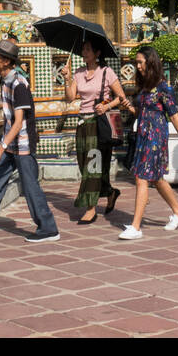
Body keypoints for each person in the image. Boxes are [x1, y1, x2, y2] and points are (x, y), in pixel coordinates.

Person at [0, 39, 60, 243]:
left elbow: (19, 122)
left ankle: (48, 228)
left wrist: (0, 147)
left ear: (7, 61)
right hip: (10, 143)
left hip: (23, 144)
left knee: (30, 186)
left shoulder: (19, 84)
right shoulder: (5, 80)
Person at [117, 46, 178, 239]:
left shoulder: (163, 87)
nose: (138, 66)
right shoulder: (143, 87)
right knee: (156, 178)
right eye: (137, 62)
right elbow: (140, 113)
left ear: (150, 63)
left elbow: (174, 115)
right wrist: (128, 107)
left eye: (140, 62)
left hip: (156, 137)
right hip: (143, 135)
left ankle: (136, 227)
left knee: (141, 178)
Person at [60, 40, 126, 224]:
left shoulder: (106, 72)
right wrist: (67, 79)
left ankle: (90, 208)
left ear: (97, 53)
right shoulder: (79, 73)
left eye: (88, 49)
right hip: (83, 124)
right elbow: (70, 97)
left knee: (93, 166)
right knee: (84, 165)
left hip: (99, 124)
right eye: (83, 49)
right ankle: (110, 192)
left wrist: (105, 106)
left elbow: (121, 97)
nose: (84, 52)